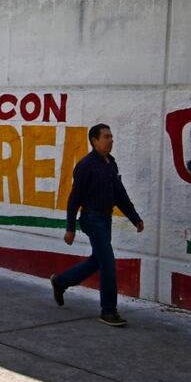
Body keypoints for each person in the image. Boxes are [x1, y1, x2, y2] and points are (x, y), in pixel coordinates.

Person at [50, 123, 144, 327]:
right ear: (94, 140)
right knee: (108, 264)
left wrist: (135, 217)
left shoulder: (110, 163)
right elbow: (74, 199)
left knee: (97, 260)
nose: (111, 140)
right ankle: (108, 311)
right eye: (106, 137)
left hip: (105, 218)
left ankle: (61, 281)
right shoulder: (85, 166)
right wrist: (70, 228)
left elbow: (119, 194)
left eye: (111, 137)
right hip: (92, 219)